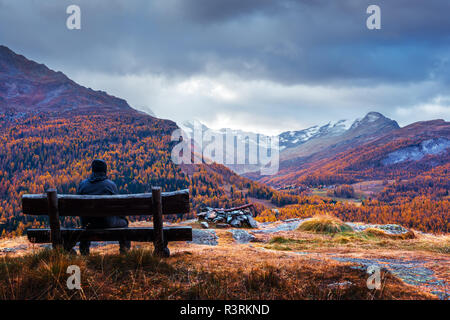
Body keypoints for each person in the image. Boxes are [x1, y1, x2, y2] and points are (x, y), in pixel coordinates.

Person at [77, 159, 131, 255]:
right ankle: (124, 252)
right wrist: (122, 218)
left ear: (93, 170)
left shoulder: (82, 185)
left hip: (88, 224)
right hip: (107, 223)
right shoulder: (110, 185)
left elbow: (77, 207)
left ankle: (84, 252)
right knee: (124, 223)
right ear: (105, 171)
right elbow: (118, 207)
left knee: (85, 224)